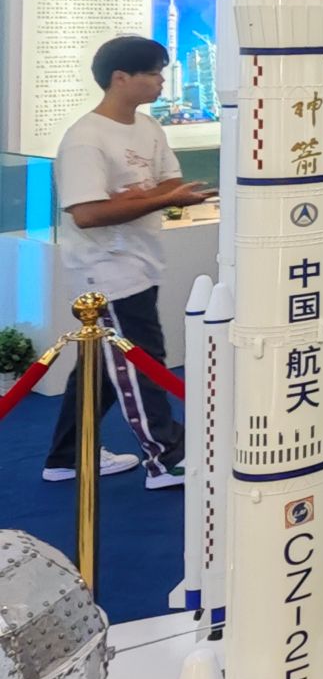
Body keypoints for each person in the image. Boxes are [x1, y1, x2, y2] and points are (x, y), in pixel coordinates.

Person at [43, 35, 211, 488]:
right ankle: (164, 457)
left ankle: (67, 456)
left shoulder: (149, 127)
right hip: (106, 267)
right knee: (141, 359)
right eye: (153, 73)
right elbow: (87, 212)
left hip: (140, 259)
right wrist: (150, 198)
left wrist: (140, 197)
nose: (161, 81)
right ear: (121, 78)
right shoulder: (86, 139)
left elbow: (170, 183)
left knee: (101, 364)